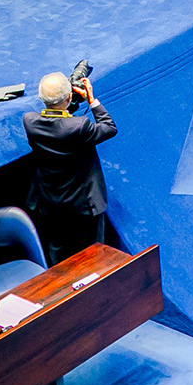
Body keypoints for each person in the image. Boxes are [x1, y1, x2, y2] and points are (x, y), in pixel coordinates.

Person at [23, 68, 117, 263]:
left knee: (58, 253)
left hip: (51, 203)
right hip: (83, 205)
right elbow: (109, 127)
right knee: (94, 255)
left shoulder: (29, 121)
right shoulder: (80, 126)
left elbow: (57, 121)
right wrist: (91, 100)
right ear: (68, 98)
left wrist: (64, 103)